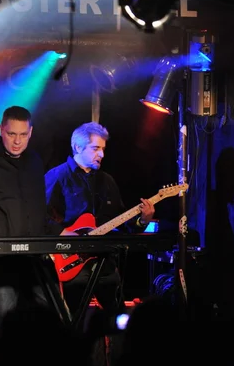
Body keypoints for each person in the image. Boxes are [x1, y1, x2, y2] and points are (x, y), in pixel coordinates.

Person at [0, 106, 62, 344]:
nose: (17, 141)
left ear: (31, 132)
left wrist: (60, 233)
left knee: (51, 322)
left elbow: (38, 210)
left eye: (23, 135)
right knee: (3, 328)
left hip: (34, 259)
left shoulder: (35, 162)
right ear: (1, 130)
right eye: (11, 134)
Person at [45, 121, 155, 319]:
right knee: (75, 322)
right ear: (78, 147)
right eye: (96, 148)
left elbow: (121, 222)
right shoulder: (57, 177)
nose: (102, 155)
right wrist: (62, 233)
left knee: (118, 319)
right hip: (73, 264)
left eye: (103, 149)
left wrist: (143, 221)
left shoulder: (107, 181)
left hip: (105, 262)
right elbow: (40, 217)